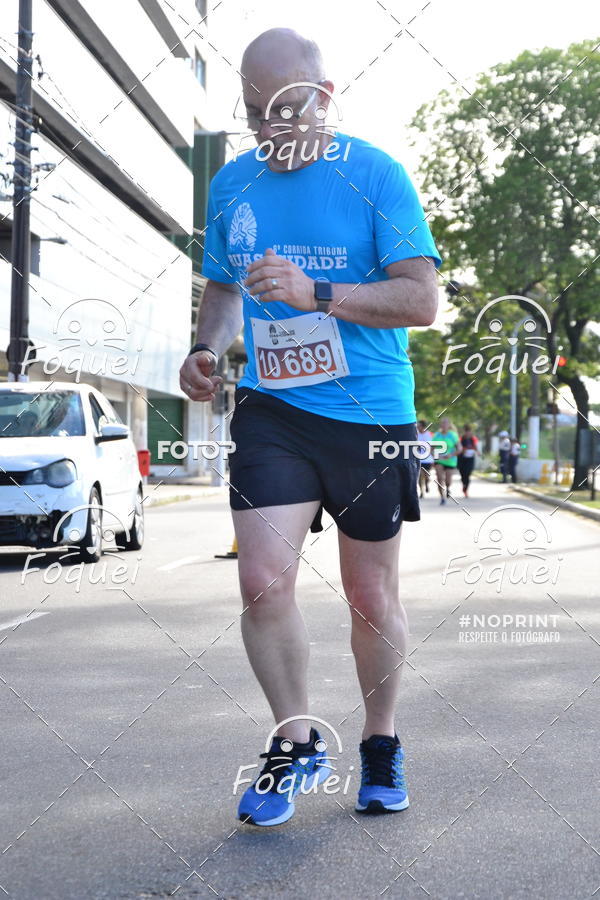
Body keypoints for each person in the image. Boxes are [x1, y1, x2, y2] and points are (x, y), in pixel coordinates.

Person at [179, 27, 442, 826]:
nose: (265, 129)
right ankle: (294, 742)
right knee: (262, 578)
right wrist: (204, 347)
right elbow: (224, 287)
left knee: (370, 598)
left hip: (370, 411)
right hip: (274, 410)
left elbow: (423, 302)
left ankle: (381, 741)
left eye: (280, 110)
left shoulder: (376, 177)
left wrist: (318, 294)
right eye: (253, 112)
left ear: (322, 98)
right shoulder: (232, 184)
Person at [432, 417, 459, 505]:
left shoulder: (453, 435)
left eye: (446, 423)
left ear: (449, 425)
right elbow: (431, 448)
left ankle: (447, 488)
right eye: (442, 423)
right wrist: (435, 455)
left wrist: (450, 455)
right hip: (439, 460)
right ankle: (442, 497)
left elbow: (460, 448)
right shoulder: (437, 435)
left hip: (450, 460)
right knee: (439, 479)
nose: (444, 425)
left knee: (448, 480)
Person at [457, 424, 479, 497]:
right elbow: (458, 447)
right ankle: (464, 484)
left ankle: (466, 489)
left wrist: (478, 452)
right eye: (467, 432)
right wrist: (463, 450)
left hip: (470, 459)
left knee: (468, 473)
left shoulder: (473, 439)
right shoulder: (461, 438)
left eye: (469, 432)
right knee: (462, 474)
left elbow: (475, 446)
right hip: (462, 458)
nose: (468, 433)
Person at [416, 420, 434, 498]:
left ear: (423, 426)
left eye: (419, 426)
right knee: (420, 476)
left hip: (428, 459)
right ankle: (421, 491)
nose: (417, 427)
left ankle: (426, 483)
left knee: (426, 476)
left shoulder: (429, 434)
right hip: (419, 459)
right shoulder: (416, 434)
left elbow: (432, 446)